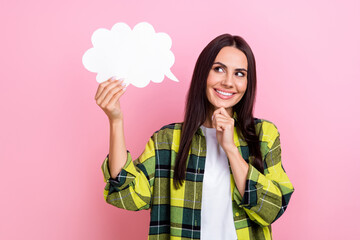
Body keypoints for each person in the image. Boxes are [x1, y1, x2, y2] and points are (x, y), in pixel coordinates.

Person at [95, 34, 294, 240]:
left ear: (247, 82)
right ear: (203, 74)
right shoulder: (168, 140)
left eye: (239, 74)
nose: (228, 82)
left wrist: (231, 150)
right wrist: (115, 121)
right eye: (218, 69)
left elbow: (271, 209)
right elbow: (127, 196)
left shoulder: (264, 135)